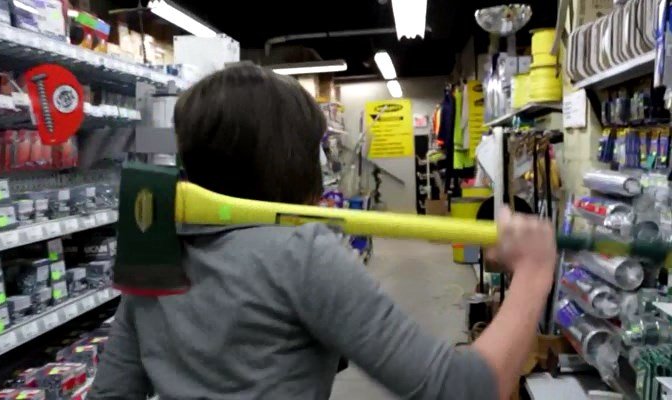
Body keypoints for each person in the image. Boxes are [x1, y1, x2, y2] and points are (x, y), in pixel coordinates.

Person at [88, 64, 557, 400]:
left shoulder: (152, 250)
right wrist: (533, 269)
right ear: (291, 159)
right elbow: (464, 390)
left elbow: (110, 393)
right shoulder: (302, 254)